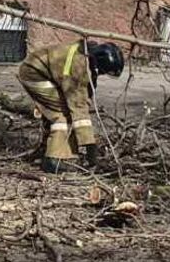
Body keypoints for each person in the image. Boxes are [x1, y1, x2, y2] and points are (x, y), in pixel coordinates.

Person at [17, 39, 124, 173]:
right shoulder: (77, 68)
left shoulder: (88, 54)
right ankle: (52, 160)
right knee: (62, 113)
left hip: (45, 70)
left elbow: (86, 91)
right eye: (103, 72)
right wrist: (91, 148)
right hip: (34, 73)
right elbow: (78, 109)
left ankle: (47, 148)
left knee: (62, 109)